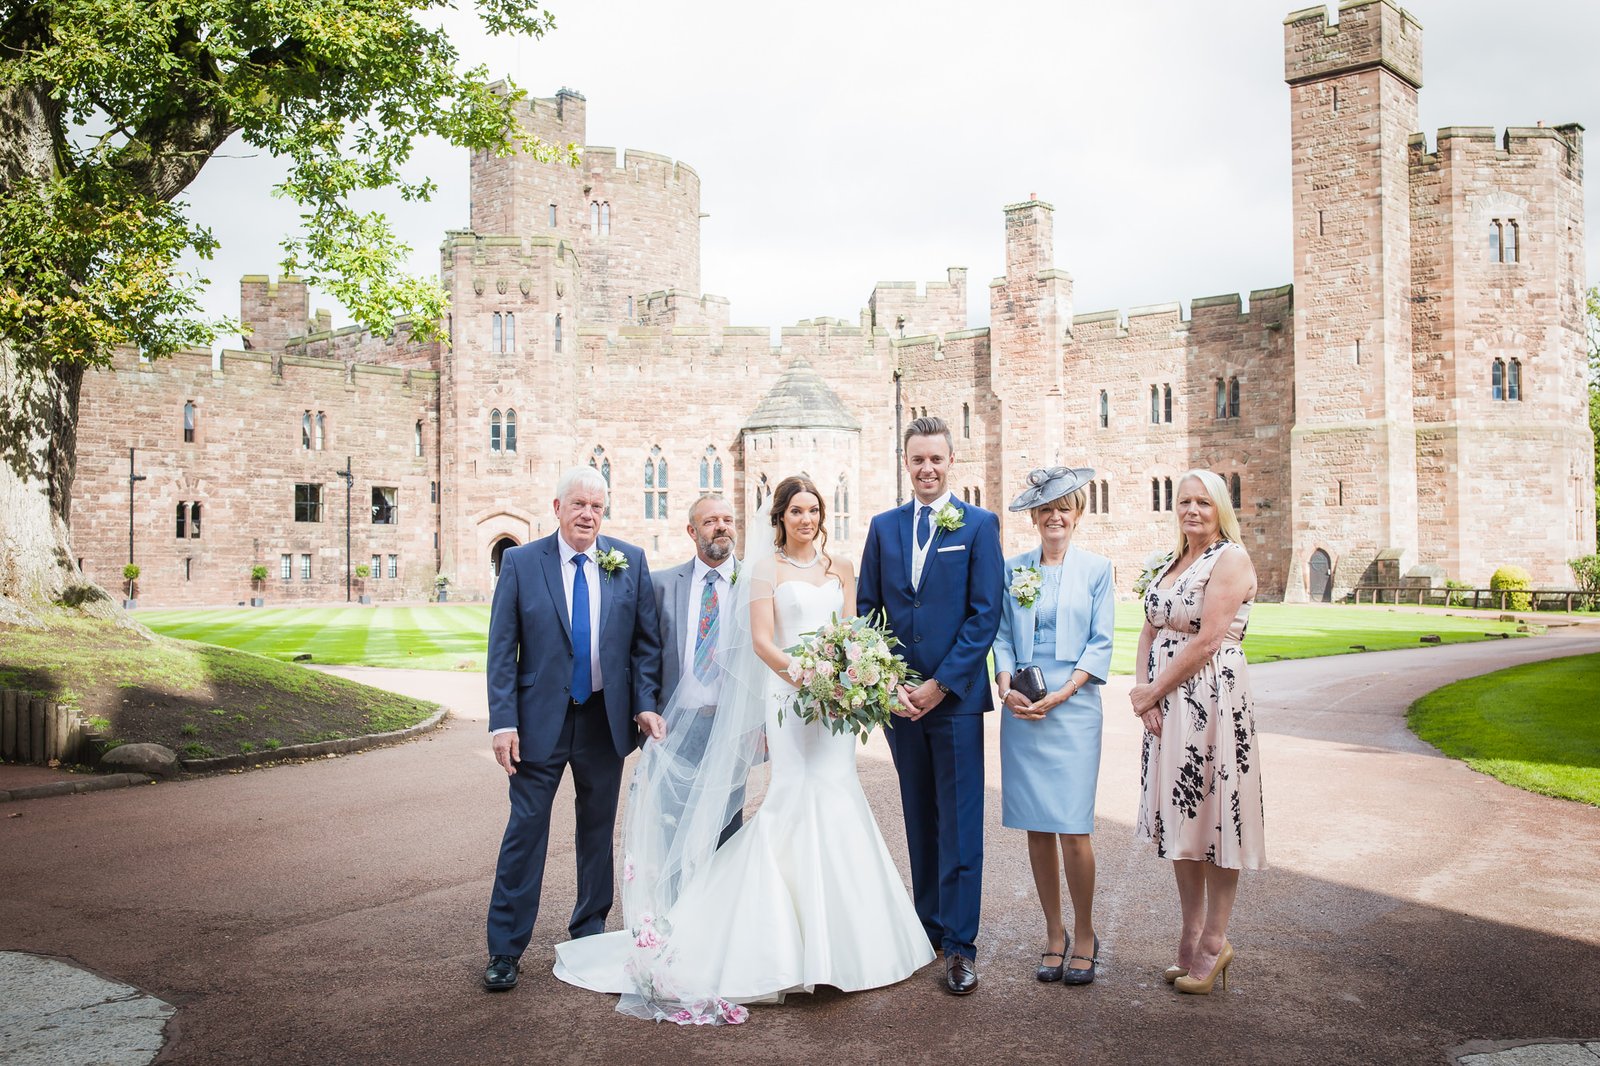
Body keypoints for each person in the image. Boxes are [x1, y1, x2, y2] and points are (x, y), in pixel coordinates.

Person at [553, 475, 933, 1024]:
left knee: (839, 794)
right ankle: (774, 942)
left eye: (814, 509)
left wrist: (856, 678)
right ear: (779, 517)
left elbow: (854, 633)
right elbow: (760, 640)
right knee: (792, 800)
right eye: (796, 510)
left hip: (837, 708)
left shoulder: (840, 569)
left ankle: (846, 944)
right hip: (793, 699)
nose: (806, 518)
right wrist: (808, 674)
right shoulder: (763, 570)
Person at [482, 466, 664, 992]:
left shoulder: (629, 560)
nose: (588, 515)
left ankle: (589, 935)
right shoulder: (520, 562)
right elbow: (501, 650)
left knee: (596, 831)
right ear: (557, 508)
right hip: (538, 720)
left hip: (604, 719)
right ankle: (505, 949)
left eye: (597, 507)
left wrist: (644, 703)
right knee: (525, 832)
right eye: (579, 505)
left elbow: (645, 646)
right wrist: (503, 721)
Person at [857, 416, 1005, 995]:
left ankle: (961, 947)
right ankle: (928, 929)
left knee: (961, 825)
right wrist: (892, 683)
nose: (926, 469)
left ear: (951, 462)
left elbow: (984, 614)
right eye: (917, 459)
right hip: (900, 702)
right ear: (905, 460)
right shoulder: (884, 527)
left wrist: (940, 684)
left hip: (955, 700)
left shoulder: (978, 525)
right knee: (919, 817)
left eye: (936, 459)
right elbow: (870, 611)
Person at [1131, 468, 1265, 996]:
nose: (1192, 510)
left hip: (1212, 701)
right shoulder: (1172, 561)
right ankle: (1188, 932)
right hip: (1167, 705)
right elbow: (1149, 628)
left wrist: (1153, 691)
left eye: (1203, 503)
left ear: (1220, 509)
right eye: (1184, 501)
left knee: (1215, 817)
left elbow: (1208, 641)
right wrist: (1144, 692)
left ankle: (1215, 940)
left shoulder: (1230, 559)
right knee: (1182, 822)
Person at [992, 467, 1114, 986]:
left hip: (1075, 707)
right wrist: (1004, 685)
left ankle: (1085, 933)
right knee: (1037, 828)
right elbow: (999, 634)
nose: (1054, 516)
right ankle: (1054, 932)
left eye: (1064, 507)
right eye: (1045, 509)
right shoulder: (1013, 568)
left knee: (1074, 829)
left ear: (1078, 513)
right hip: (1022, 706)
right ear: (1034, 518)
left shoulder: (1098, 569)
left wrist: (1065, 693)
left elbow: (1101, 641)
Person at [651, 493, 742, 845]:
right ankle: (680, 901)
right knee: (673, 827)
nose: (721, 526)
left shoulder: (756, 584)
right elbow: (645, 655)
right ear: (692, 531)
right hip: (676, 726)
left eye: (727, 520)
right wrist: (648, 711)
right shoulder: (662, 584)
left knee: (726, 828)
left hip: (729, 725)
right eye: (710, 521)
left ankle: (721, 900)